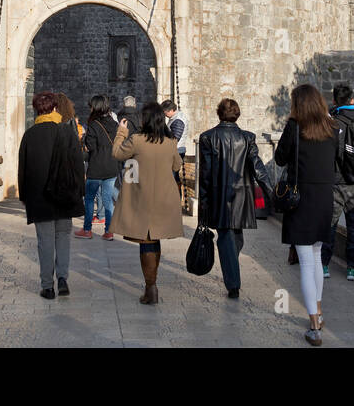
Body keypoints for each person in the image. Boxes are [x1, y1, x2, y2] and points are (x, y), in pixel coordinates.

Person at [275, 84, 338, 346]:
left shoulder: (294, 127)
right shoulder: (332, 127)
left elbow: (280, 158)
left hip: (301, 198)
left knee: (306, 262)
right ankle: (318, 312)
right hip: (324, 198)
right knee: (316, 257)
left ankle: (314, 325)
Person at [197, 98, 273, 299]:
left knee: (232, 238)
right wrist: (271, 193)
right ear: (237, 114)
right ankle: (233, 284)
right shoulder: (247, 138)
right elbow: (258, 168)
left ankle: (231, 273)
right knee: (230, 236)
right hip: (242, 194)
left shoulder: (208, 137)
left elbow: (205, 173)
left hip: (219, 195)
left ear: (219, 113)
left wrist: (204, 200)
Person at [110, 101, 183, 305]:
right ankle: (152, 284)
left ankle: (151, 287)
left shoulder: (137, 140)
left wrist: (121, 132)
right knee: (154, 239)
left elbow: (116, 153)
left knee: (147, 242)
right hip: (164, 198)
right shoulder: (169, 143)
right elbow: (177, 165)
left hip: (143, 199)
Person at [18, 91, 85, 299]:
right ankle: (63, 278)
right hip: (65, 193)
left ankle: (47, 286)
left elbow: (23, 169)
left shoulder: (30, 135)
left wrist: (24, 196)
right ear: (55, 108)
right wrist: (79, 192)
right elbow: (77, 164)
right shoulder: (67, 132)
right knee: (63, 236)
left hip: (39, 196)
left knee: (45, 240)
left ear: (36, 110)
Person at [326, 85, 354, 281]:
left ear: (334, 101)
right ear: (352, 100)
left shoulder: (332, 121)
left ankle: (324, 265)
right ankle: (352, 268)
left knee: (330, 224)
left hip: (336, 181)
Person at [75, 95, 119, 240]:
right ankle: (109, 231)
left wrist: (84, 142)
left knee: (89, 198)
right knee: (108, 200)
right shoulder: (114, 123)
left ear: (95, 107)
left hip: (96, 167)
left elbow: (91, 147)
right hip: (111, 166)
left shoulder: (94, 125)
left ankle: (87, 230)